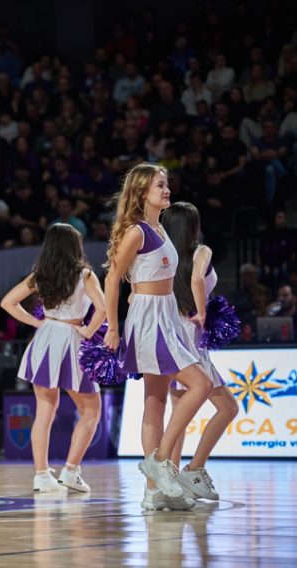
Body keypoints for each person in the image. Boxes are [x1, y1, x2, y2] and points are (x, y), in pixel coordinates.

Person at [103, 163, 212, 511]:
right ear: (141, 192)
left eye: (166, 185)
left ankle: (154, 492)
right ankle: (161, 459)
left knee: (156, 402)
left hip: (166, 313)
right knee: (201, 385)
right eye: (160, 186)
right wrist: (114, 327)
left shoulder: (160, 227)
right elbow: (112, 279)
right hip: (148, 317)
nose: (167, 190)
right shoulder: (136, 231)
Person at [0, 224, 106, 492]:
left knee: (44, 412)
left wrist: (38, 324)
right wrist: (89, 331)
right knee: (91, 410)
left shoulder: (40, 274)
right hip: (71, 338)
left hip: (45, 338)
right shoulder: (85, 275)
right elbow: (104, 309)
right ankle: (70, 470)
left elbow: (7, 302)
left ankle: (42, 475)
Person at [162, 202, 238, 501]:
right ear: (193, 225)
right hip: (191, 335)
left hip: (170, 333)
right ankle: (194, 469)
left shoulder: (164, 257)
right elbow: (196, 279)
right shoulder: (201, 251)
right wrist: (203, 313)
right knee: (228, 408)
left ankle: (172, 479)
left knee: (180, 412)